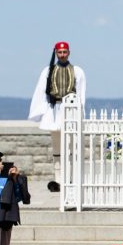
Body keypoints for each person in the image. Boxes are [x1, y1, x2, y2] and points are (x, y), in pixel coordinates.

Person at [28, 41, 86, 192]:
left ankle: (71, 179)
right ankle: (59, 180)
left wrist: (79, 113)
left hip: (70, 111)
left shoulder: (77, 71)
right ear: (56, 53)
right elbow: (41, 91)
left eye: (64, 52)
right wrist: (40, 112)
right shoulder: (48, 70)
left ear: (69, 52)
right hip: (54, 110)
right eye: (59, 52)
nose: (62, 55)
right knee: (57, 148)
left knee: (71, 148)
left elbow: (81, 94)